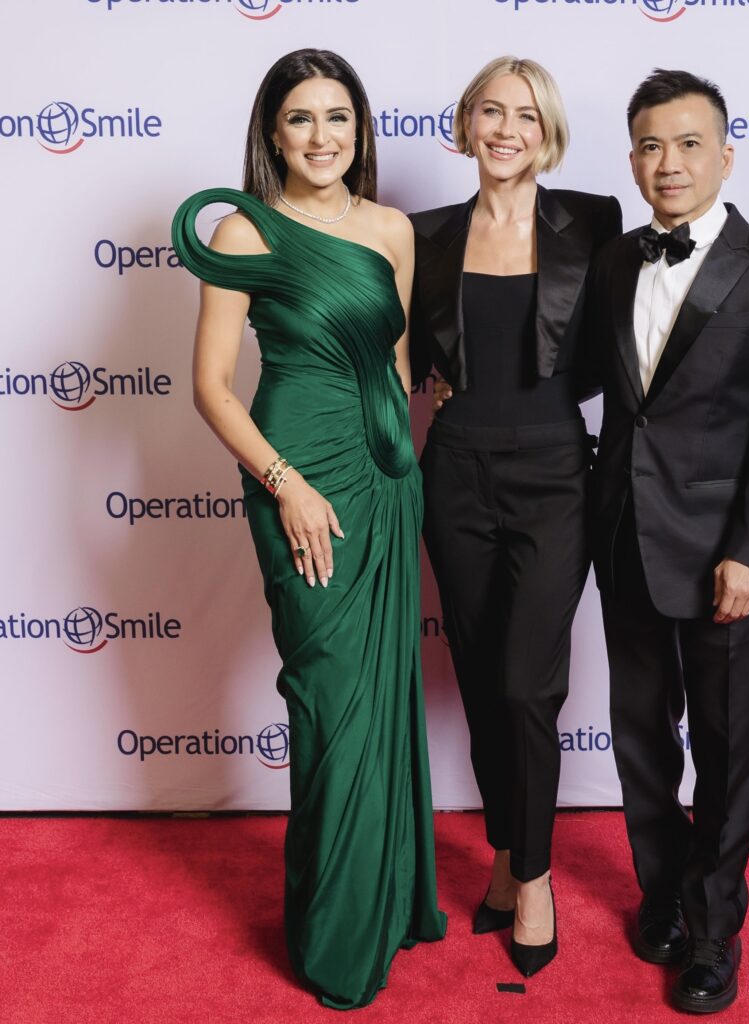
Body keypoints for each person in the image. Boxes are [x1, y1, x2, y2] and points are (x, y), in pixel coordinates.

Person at [171, 49, 446, 1010]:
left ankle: (387, 900)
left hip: (381, 478)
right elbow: (209, 386)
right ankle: (334, 935)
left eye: (338, 117)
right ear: (272, 133)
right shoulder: (246, 233)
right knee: (330, 702)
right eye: (300, 119)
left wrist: (416, 436)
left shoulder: (392, 230)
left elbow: (396, 359)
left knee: (381, 697)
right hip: (295, 473)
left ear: (360, 130)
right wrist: (283, 483)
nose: (322, 136)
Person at [586, 69, 749, 1013]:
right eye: (649, 144)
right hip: (623, 540)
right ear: (632, 157)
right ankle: (663, 897)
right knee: (642, 738)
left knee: (725, 747)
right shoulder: (612, 261)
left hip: (723, 552)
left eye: (687, 143)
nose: (666, 162)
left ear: (724, 154)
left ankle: (715, 927)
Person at [409, 56, 621, 977]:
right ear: (463, 123)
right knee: (486, 674)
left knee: (531, 684)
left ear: (549, 133)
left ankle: (531, 877)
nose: (506, 129)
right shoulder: (420, 234)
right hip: (452, 472)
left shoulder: (595, 221)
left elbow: (633, 334)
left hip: (552, 472)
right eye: (489, 111)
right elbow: (392, 356)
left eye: (526, 116)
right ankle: (503, 851)